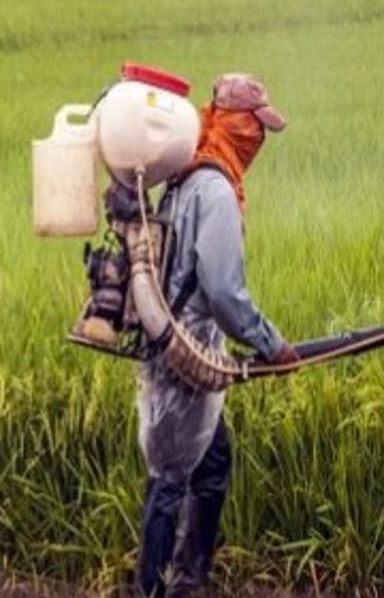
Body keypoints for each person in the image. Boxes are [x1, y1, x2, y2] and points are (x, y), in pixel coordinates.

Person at [135, 73, 299, 598]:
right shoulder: (215, 188)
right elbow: (224, 291)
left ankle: (187, 582)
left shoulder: (186, 177)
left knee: (210, 463)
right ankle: (156, 589)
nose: (259, 139)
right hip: (186, 355)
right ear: (233, 123)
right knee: (170, 478)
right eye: (255, 126)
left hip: (178, 346)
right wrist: (270, 342)